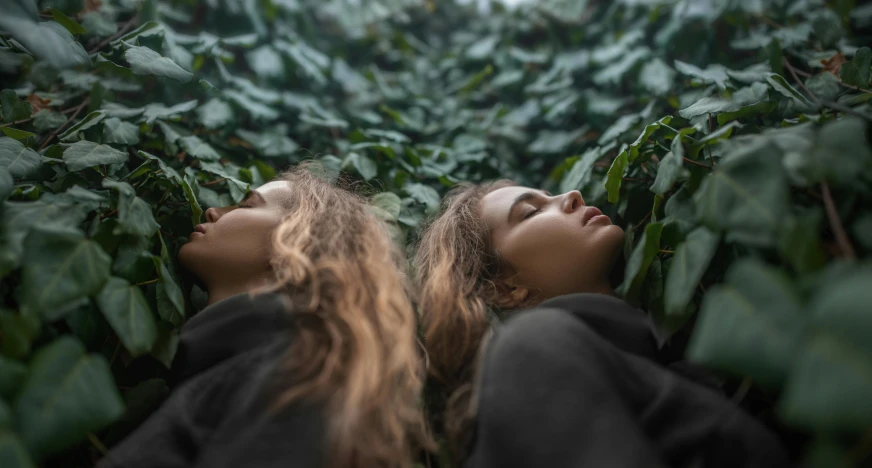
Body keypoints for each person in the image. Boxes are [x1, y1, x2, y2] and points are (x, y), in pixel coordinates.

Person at [414, 180, 791, 467]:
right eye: (530, 211)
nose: (573, 195)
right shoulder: (531, 351)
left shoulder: (658, 349)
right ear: (506, 288)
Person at [97, 165, 432, 468]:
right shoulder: (254, 363)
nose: (213, 211)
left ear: (299, 238)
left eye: (246, 205)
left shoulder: (296, 377)